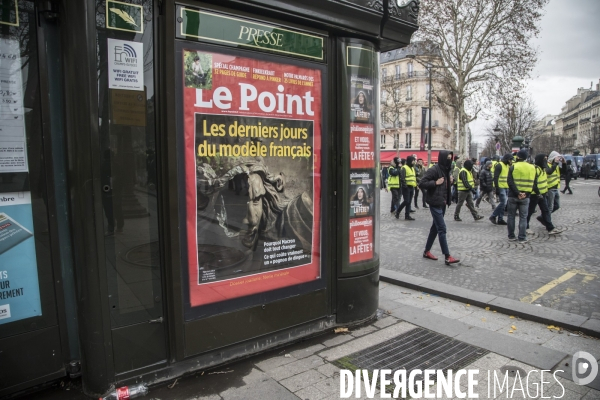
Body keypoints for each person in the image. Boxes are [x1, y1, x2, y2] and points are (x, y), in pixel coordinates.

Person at [419, 150, 460, 265]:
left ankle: (426, 251)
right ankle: (447, 256)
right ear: (442, 158)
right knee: (442, 228)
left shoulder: (447, 171)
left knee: (435, 228)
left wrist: (450, 182)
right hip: (434, 203)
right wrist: (435, 183)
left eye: (450, 158)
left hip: (442, 203)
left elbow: (444, 188)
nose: (449, 160)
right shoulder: (434, 169)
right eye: (447, 158)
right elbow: (422, 183)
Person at [527, 154, 562, 235]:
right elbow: (533, 183)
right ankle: (526, 227)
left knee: (545, 210)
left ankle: (550, 228)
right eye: (544, 159)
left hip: (542, 193)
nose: (546, 161)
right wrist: (538, 193)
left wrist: (556, 163)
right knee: (530, 211)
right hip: (535, 195)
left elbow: (549, 171)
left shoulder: (543, 169)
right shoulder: (536, 169)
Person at [506, 150, 536, 243]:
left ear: (518, 157)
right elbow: (534, 183)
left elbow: (509, 181)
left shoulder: (513, 166)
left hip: (513, 195)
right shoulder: (532, 167)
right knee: (523, 217)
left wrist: (517, 193)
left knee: (511, 216)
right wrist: (525, 194)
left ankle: (511, 236)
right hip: (525, 197)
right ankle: (522, 237)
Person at [489, 153, 512, 225]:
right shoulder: (499, 165)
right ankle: (493, 216)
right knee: (504, 203)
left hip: (506, 187)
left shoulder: (508, 166)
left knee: (503, 203)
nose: (511, 161)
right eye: (510, 160)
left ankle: (500, 219)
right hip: (501, 187)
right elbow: (496, 177)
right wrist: (497, 188)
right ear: (507, 159)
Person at [395, 156, 417, 220]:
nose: (414, 162)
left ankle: (407, 215)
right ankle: (398, 212)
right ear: (410, 160)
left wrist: (415, 185)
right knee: (406, 201)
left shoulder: (412, 168)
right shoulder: (404, 168)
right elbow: (402, 178)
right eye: (413, 160)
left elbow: (413, 177)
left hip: (411, 186)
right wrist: (405, 186)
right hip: (406, 187)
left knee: (409, 202)